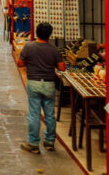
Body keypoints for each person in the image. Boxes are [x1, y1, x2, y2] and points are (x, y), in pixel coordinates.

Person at [17, 22, 66, 153]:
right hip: (49, 83)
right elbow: (62, 67)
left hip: (34, 82)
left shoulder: (29, 46)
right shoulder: (53, 49)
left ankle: (33, 143)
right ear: (49, 35)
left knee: (34, 114)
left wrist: (30, 61)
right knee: (50, 114)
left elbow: (20, 63)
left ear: (37, 32)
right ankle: (50, 142)